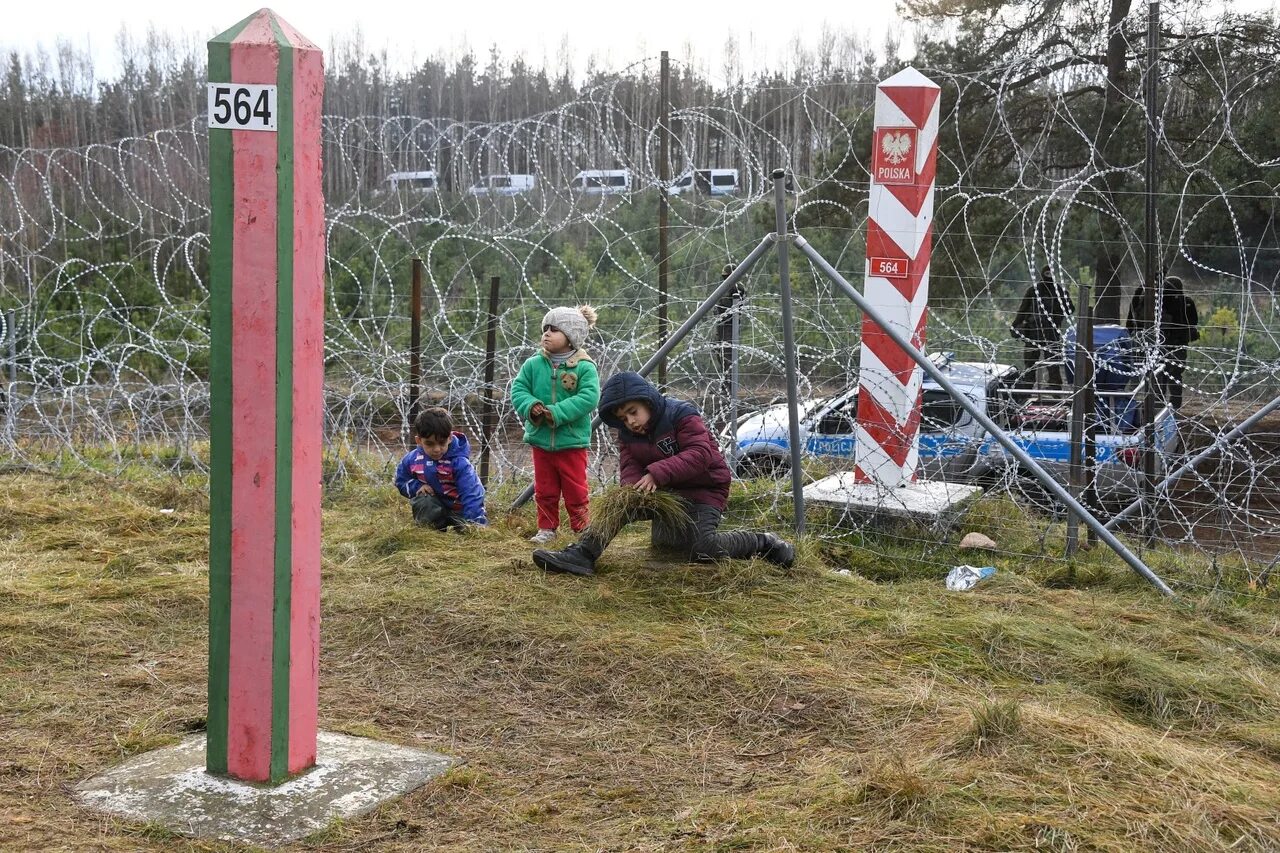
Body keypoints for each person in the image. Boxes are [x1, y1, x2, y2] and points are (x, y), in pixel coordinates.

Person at [531, 372, 795, 577]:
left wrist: (657, 474)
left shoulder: (681, 414)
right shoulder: (629, 434)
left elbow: (701, 454)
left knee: (700, 548)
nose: (630, 421)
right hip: (665, 491)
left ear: (647, 401)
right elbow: (630, 465)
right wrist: (632, 489)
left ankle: (762, 542)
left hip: (703, 490)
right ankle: (583, 553)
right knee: (621, 504)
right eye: (623, 418)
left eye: (633, 412)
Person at [510, 305, 601, 542]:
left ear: (571, 338)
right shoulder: (533, 364)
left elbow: (589, 397)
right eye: (545, 328)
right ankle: (547, 528)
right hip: (541, 441)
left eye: (554, 329)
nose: (547, 333)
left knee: (575, 489)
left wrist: (556, 412)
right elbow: (518, 389)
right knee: (545, 489)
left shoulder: (583, 367)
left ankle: (582, 528)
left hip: (571, 441)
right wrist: (531, 406)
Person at [394, 407, 487, 529]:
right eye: (430, 443)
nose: (437, 449)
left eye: (442, 442)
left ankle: (466, 525)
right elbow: (400, 480)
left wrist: (476, 525)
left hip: (460, 510)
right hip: (434, 507)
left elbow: (472, 493)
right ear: (419, 441)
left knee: (467, 527)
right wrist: (417, 486)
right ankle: (430, 531)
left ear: (450, 438)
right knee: (424, 500)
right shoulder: (412, 460)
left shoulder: (459, 463)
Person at [1126, 275, 1199, 409]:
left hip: (1166, 344)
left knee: (1164, 375)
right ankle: (1168, 406)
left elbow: (1192, 322)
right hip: (1171, 345)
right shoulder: (1176, 302)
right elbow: (1193, 322)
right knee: (1169, 375)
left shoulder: (1163, 302)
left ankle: (1161, 405)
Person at [1011, 265, 1074, 390]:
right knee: (1030, 363)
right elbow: (1023, 311)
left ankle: (1054, 388)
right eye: (1047, 273)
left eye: (1050, 273)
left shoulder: (1059, 291)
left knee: (1053, 363)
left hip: (1051, 333)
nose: (1048, 276)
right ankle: (1028, 388)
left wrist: (1058, 306)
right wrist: (1015, 326)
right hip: (1033, 332)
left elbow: (1070, 309)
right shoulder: (1033, 291)